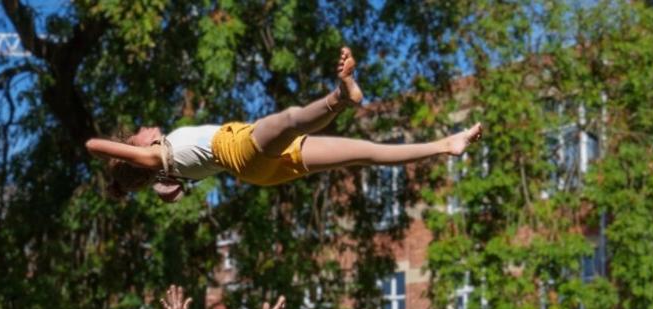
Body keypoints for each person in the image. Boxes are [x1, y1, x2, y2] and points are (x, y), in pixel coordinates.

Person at [88, 47, 482, 201]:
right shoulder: (154, 157)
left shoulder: (167, 170)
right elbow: (93, 145)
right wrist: (131, 158)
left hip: (257, 169)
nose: (143, 127)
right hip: (239, 149)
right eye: (136, 134)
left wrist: (141, 182)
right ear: (137, 147)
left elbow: (170, 193)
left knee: (366, 153)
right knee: (293, 118)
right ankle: (340, 96)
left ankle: (447, 145)